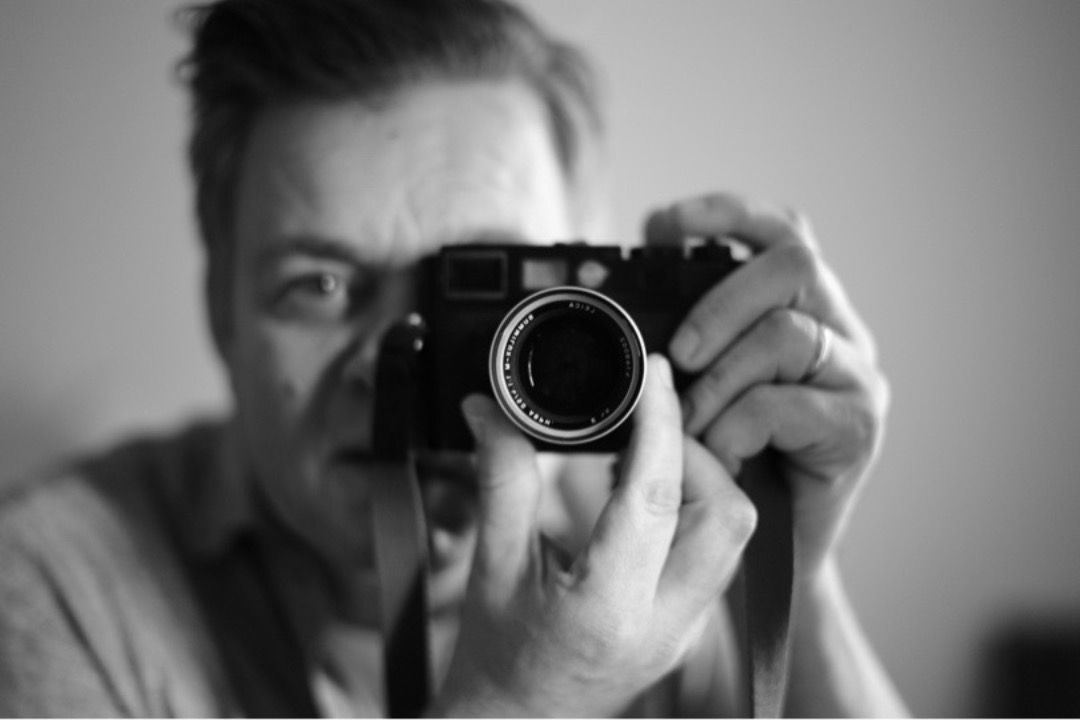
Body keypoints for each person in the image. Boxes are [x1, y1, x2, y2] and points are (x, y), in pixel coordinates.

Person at [0, 0, 908, 716]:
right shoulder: (51, 586)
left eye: (483, 289)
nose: (400, 360)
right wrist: (520, 704)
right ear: (220, 311)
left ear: (595, 295)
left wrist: (799, 572)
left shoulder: (668, 531)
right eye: (321, 285)